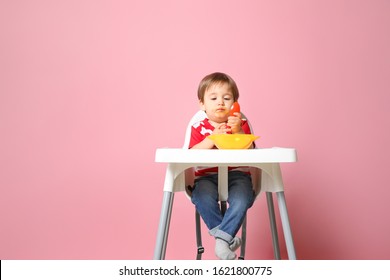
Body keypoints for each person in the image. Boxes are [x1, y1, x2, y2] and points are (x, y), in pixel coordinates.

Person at [189, 72, 255, 260]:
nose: (220, 103)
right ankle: (226, 238)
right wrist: (212, 139)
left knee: (243, 199)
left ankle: (221, 241)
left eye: (226, 98)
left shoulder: (240, 124)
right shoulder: (199, 128)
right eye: (214, 98)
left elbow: (249, 148)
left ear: (234, 103)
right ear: (202, 103)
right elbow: (192, 153)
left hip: (238, 175)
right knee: (201, 197)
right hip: (206, 176)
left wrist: (238, 131)